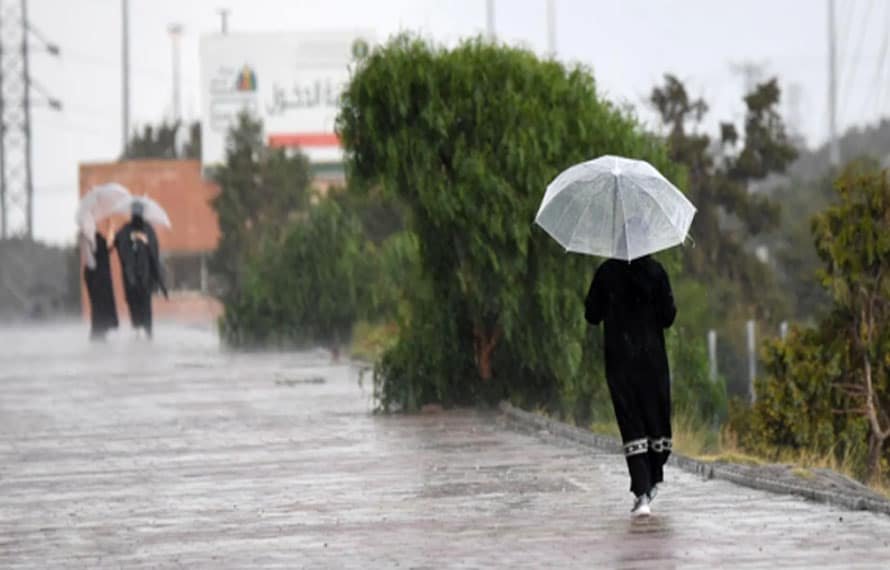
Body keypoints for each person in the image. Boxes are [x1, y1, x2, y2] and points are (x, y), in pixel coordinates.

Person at [584, 254, 676, 517]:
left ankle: (643, 490)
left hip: (620, 360)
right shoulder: (656, 272)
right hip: (652, 360)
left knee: (631, 422)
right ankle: (651, 479)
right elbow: (668, 317)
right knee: (654, 419)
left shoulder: (606, 272)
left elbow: (592, 314)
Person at [113, 202, 168, 338]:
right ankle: (137, 334)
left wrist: (145, 242)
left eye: (138, 213)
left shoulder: (148, 230)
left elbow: (154, 253)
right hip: (131, 279)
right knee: (134, 309)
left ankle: (148, 334)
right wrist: (130, 240)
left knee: (146, 309)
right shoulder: (125, 230)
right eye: (134, 213)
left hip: (145, 278)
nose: (136, 215)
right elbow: (118, 245)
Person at [80, 222, 118, 340]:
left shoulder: (95, 237)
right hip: (97, 276)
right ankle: (98, 333)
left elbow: (106, 250)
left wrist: (112, 232)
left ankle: (102, 331)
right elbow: (90, 260)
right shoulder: (86, 238)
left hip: (101, 275)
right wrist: (94, 268)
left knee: (103, 305)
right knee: (99, 305)